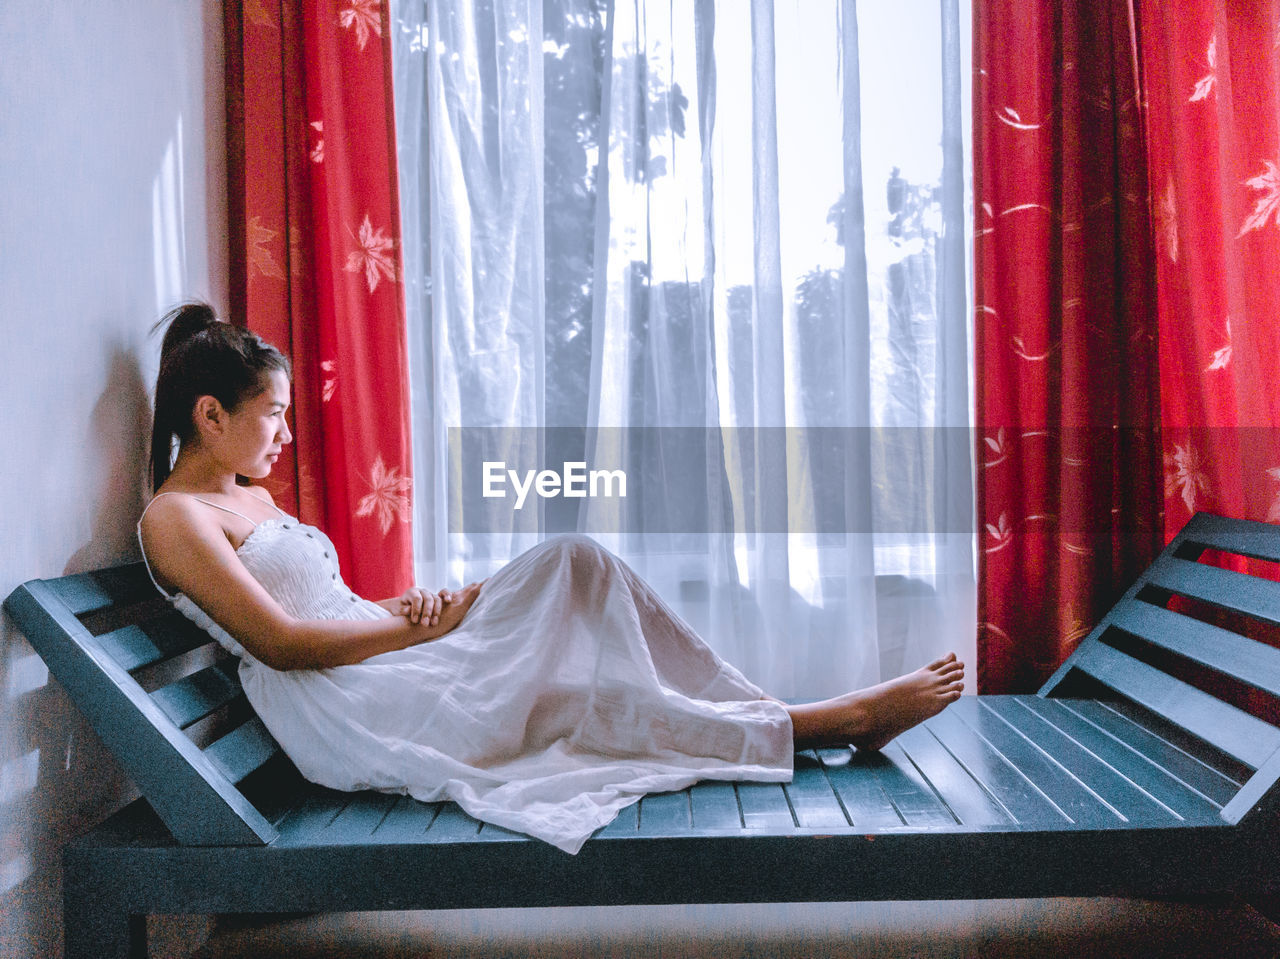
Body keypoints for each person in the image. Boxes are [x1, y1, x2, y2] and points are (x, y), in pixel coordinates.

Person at [137, 303, 965, 854]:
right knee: (574, 604)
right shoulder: (177, 521)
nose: (285, 431)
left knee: (580, 594)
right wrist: (426, 628)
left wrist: (420, 605)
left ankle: (797, 719)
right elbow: (282, 641)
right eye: (273, 413)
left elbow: (332, 607)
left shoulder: (244, 495)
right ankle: (834, 719)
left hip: (375, 658)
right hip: (342, 704)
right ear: (210, 415)